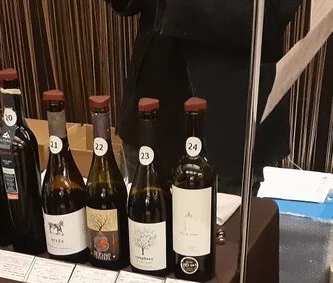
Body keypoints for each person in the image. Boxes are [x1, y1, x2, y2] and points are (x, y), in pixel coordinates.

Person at [105, 0, 301, 194]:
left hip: (227, 123)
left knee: (223, 214)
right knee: (137, 212)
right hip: (150, 111)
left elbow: (267, 19)